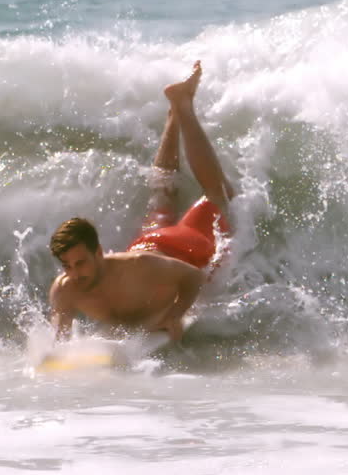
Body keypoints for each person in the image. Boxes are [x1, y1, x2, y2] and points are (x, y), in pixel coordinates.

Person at [48, 61, 234, 342]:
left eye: (81, 263)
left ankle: (184, 106)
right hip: (149, 242)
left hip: (180, 247)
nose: (75, 273)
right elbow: (59, 343)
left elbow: (193, 279)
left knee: (220, 195)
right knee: (163, 193)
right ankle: (173, 113)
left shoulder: (137, 267)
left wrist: (175, 313)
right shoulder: (65, 290)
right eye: (67, 266)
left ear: (99, 252)